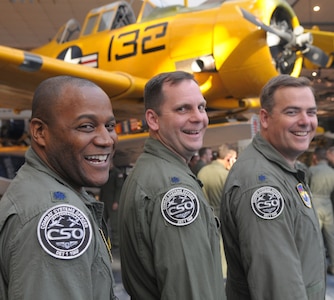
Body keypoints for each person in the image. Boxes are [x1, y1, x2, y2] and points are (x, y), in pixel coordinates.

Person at [0, 76, 119, 300]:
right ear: (40, 132)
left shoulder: (45, 193)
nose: (107, 140)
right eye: (86, 126)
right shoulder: (56, 213)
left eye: (110, 126)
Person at [118, 71, 225, 300]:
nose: (199, 118)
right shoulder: (172, 189)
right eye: (182, 109)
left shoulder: (152, 172)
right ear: (153, 119)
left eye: (202, 107)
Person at [220, 74, 326, 299]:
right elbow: (279, 289)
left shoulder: (282, 171)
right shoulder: (262, 185)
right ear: (265, 119)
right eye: (292, 111)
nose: (306, 121)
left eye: (311, 112)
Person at [197, 143, 237, 278]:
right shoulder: (227, 175)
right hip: (224, 220)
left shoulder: (203, 172)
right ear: (228, 158)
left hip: (207, 219)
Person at [309, 146, 334, 275]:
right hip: (328, 204)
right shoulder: (332, 171)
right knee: (331, 237)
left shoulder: (311, 170)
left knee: (314, 237)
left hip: (314, 203)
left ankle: (314, 268)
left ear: (315, 157)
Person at [100, 159, 125, 248]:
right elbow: (103, 188)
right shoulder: (105, 173)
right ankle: (103, 241)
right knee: (102, 222)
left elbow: (119, 189)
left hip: (113, 202)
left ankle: (117, 242)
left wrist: (116, 201)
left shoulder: (117, 173)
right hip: (105, 201)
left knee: (115, 223)